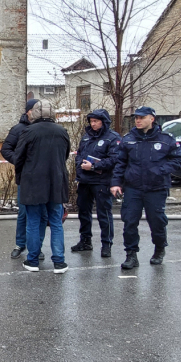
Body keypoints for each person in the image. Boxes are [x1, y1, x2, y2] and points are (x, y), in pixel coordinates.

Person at [111, 106, 181, 270]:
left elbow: (179, 160)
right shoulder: (128, 139)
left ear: (152, 119)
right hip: (133, 187)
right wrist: (116, 183)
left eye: (142, 117)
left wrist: (160, 170)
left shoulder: (165, 139)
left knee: (157, 221)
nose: (138, 120)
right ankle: (131, 255)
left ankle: (159, 248)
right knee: (130, 221)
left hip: (156, 188)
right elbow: (120, 163)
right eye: (136, 118)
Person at [13, 100, 71, 274]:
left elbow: (19, 158)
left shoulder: (28, 131)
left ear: (35, 113)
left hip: (33, 183)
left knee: (33, 222)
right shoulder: (62, 132)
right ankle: (59, 262)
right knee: (56, 223)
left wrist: (22, 175)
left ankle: (32, 261)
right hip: (56, 183)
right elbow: (65, 155)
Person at [71, 109, 121, 258]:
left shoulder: (112, 138)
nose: (93, 124)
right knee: (83, 212)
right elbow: (79, 154)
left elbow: (115, 159)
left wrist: (94, 166)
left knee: (103, 213)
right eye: (91, 121)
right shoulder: (87, 137)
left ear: (103, 122)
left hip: (101, 181)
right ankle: (85, 240)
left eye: (96, 121)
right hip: (85, 180)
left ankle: (106, 244)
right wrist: (80, 164)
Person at [1, 98, 45, 261]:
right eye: (35, 109)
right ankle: (20, 244)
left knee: (42, 214)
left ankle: (37, 247)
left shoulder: (44, 128)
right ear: (28, 111)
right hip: (25, 178)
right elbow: (6, 149)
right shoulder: (18, 129)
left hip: (43, 179)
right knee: (24, 213)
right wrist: (20, 162)